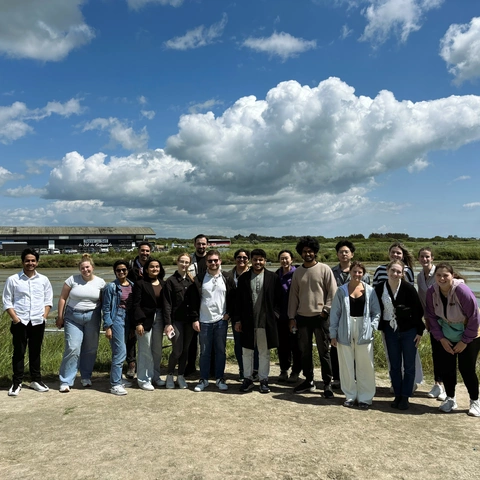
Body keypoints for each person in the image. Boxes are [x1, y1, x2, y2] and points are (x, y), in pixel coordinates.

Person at [425, 263, 480, 417]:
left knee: (466, 368)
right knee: (447, 367)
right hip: (446, 333)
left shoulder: (462, 291)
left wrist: (465, 341)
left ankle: (475, 400)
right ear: (435, 277)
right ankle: (450, 399)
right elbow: (431, 316)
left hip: (470, 332)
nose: (442, 278)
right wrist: (440, 338)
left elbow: (475, 318)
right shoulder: (432, 292)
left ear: (452, 276)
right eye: (438, 275)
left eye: (445, 275)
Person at [288, 236, 337, 398]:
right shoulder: (298, 272)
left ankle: (327, 383)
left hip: (320, 317)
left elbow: (332, 292)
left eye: (310, 251)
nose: (307, 254)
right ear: (300, 253)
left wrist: (326, 310)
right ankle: (309, 380)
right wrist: (291, 317)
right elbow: (293, 296)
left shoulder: (324, 269)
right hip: (302, 317)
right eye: (304, 251)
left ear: (315, 252)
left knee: (324, 352)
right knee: (305, 352)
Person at [375, 260, 425, 410]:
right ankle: (397, 394)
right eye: (393, 271)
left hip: (409, 331)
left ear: (403, 273)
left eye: (398, 272)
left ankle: (405, 396)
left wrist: (419, 331)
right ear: (387, 271)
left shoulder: (408, 288)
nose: (395, 274)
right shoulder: (379, 288)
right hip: (390, 331)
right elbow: (375, 308)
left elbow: (418, 310)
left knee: (409, 365)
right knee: (394, 365)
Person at [330, 261, 381, 409]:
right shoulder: (341, 291)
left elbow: (376, 312)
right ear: (350, 272)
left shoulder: (370, 291)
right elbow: (335, 314)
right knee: (346, 364)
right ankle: (350, 396)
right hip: (344, 329)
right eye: (354, 272)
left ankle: (365, 398)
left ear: (363, 274)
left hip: (364, 329)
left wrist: (372, 327)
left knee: (365, 365)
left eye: (360, 272)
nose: (357, 275)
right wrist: (333, 334)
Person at [2, 248, 53, 396]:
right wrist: (16, 319)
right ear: (22, 262)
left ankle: (36, 380)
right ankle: (17, 382)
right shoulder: (13, 280)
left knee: (35, 352)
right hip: (20, 321)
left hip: (38, 321)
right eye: (27, 260)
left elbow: (48, 300)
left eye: (33, 261)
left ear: (37, 262)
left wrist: (44, 316)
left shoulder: (43, 280)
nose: (30, 263)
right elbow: (7, 301)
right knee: (19, 352)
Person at [187, 250, 236, 392]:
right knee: (204, 352)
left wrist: (229, 314)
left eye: (216, 260)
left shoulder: (226, 277)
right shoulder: (200, 278)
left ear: (220, 261)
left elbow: (233, 298)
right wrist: (195, 319)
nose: (213, 263)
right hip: (204, 321)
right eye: (210, 261)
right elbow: (194, 300)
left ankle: (220, 378)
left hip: (221, 320)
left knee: (220, 351)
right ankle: (203, 379)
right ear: (206, 262)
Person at [234, 249, 282, 394]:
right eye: (255, 259)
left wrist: (275, 315)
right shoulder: (243, 278)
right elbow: (238, 302)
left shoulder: (273, 277)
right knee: (246, 351)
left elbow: (279, 300)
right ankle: (247, 379)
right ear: (251, 260)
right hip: (247, 322)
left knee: (264, 352)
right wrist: (237, 320)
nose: (258, 262)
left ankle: (263, 380)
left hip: (265, 322)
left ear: (265, 261)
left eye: (261, 260)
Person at [57, 254, 106, 392]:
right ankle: (66, 380)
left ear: (93, 267)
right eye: (82, 268)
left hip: (93, 316)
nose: (85, 270)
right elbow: (62, 299)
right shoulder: (71, 280)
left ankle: (86, 376)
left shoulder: (100, 282)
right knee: (73, 347)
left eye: (87, 267)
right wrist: (60, 317)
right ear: (79, 269)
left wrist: (106, 321)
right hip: (73, 316)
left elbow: (103, 302)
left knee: (90, 349)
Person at [330, 240, 371, 389]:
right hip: (338, 314)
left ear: (352, 254)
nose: (344, 254)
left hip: (357, 315)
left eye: (346, 252)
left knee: (356, 348)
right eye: (341, 252)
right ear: (337, 254)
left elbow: (367, 295)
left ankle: (355, 377)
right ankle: (337, 377)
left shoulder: (362, 274)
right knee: (336, 347)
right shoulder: (332, 272)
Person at [132, 258, 166, 390]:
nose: (155, 269)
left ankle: (155, 377)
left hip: (160, 318)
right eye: (151, 267)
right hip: (145, 319)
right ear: (146, 269)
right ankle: (143, 379)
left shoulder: (164, 283)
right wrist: (138, 322)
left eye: (157, 266)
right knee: (145, 349)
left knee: (157, 350)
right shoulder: (140, 283)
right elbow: (136, 304)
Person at [416, 247, 445, 401]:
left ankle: (446, 386)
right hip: (432, 319)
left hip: (445, 319)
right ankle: (438, 384)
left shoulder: (439, 274)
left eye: (427, 256)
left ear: (432, 258)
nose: (424, 259)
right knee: (436, 351)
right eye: (422, 257)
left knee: (446, 352)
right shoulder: (420, 277)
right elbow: (422, 300)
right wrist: (426, 319)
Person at [163, 253, 195, 389]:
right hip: (176, 321)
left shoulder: (191, 281)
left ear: (190, 264)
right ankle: (170, 375)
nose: (184, 264)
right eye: (182, 261)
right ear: (177, 262)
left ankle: (180, 375)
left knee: (185, 350)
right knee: (177, 350)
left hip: (189, 321)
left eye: (187, 262)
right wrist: (168, 323)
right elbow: (167, 304)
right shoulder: (170, 281)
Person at [102, 260, 134, 396]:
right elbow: (106, 308)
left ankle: (119, 379)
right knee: (120, 352)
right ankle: (115, 384)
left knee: (123, 350)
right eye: (118, 270)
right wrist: (108, 326)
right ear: (115, 272)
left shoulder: (132, 285)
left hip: (128, 319)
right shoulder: (111, 287)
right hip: (117, 319)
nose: (121, 272)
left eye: (124, 270)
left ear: (128, 270)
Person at [228, 249, 259, 381]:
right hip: (236, 314)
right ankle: (242, 369)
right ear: (235, 259)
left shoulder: (255, 273)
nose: (242, 260)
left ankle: (255, 370)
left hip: (253, 314)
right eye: (239, 257)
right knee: (239, 344)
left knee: (255, 344)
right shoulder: (228, 275)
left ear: (249, 259)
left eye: (245, 257)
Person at [125, 241, 152, 379]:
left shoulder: (153, 265)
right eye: (142, 250)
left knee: (147, 335)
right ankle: (131, 363)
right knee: (131, 335)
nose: (145, 253)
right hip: (132, 303)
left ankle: (147, 363)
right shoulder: (130, 266)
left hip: (148, 306)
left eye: (147, 251)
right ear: (138, 251)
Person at [275, 249, 301, 384]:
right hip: (280, 317)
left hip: (296, 316)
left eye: (287, 258)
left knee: (296, 344)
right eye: (282, 258)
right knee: (282, 345)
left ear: (292, 260)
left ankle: (296, 371)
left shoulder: (297, 274)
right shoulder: (276, 275)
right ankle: (284, 370)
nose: (284, 261)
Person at [185, 234, 209, 376]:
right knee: (192, 337)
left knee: (208, 337)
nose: (201, 246)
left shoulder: (211, 259)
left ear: (207, 245)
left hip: (208, 302)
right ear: (194, 244)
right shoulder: (189, 261)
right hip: (192, 302)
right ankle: (191, 364)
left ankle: (209, 366)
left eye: (203, 244)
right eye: (199, 244)